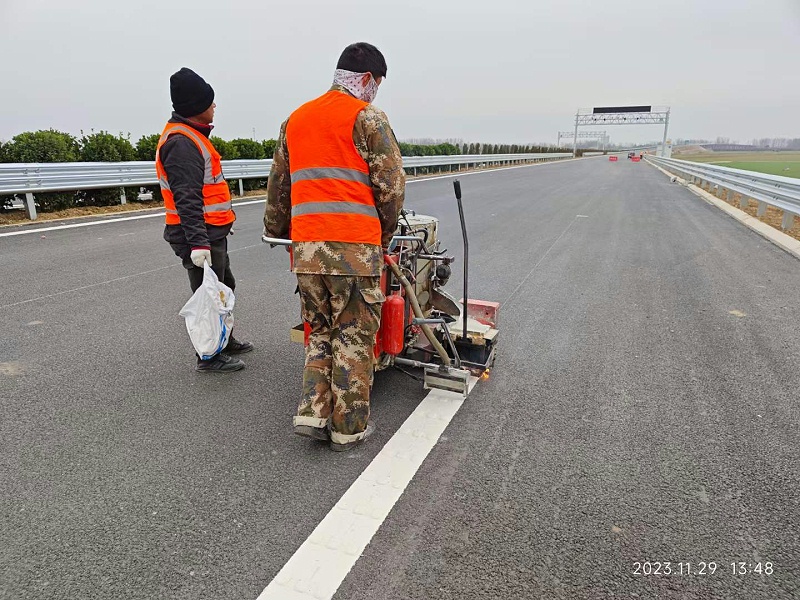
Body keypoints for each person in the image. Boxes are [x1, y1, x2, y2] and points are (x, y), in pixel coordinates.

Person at [264, 43, 405, 451]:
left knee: (320, 332)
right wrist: (384, 236)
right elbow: (391, 186)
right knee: (354, 338)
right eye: (376, 84)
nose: (375, 92)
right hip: (354, 251)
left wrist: (278, 230)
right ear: (365, 80)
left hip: (306, 252)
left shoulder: (296, 119)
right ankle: (348, 429)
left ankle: (312, 412)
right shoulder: (367, 117)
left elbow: (279, 188)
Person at [156, 67, 253, 373]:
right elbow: (188, 198)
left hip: (210, 232)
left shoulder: (192, 136)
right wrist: (199, 242)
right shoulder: (182, 142)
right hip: (197, 236)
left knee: (223, 286)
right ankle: (209, 356)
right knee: (209, 296)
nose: (214, 107)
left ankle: (224, 339)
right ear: (197, 107)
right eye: (210, 102)